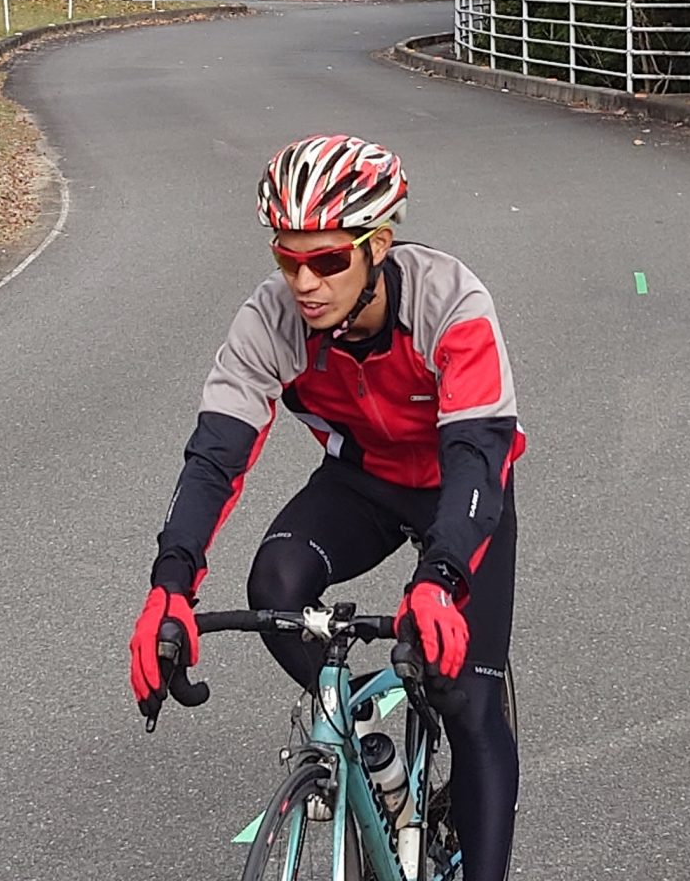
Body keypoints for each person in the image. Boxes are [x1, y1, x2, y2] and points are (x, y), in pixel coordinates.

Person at [129, 134, 524, 879]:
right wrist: (170, 583)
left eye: (328, 261)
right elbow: (215, 454)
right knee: (275, 587)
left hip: (460, 490)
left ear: (379, 246)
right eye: (288, 260)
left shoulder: (450, 300)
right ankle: (363, 743)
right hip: (362, 482)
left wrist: (440, 579)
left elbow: (479, 454)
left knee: (469, 703)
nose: (304, 283)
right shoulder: (270, 321)